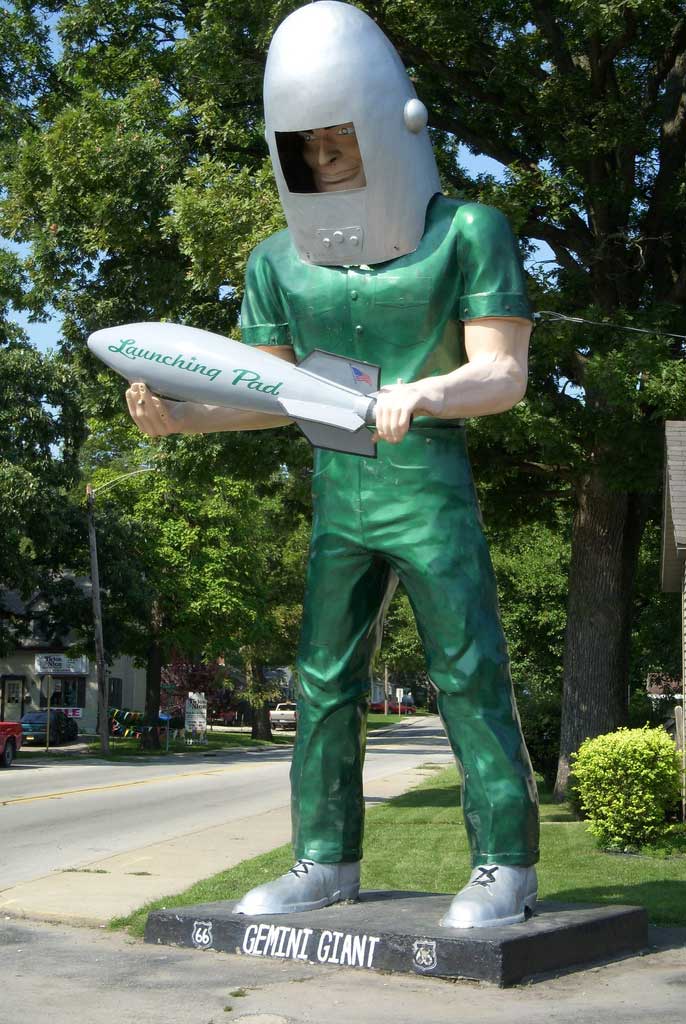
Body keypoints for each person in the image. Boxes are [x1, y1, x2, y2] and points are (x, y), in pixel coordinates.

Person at [126, 1, 539, 929]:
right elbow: (271, 394)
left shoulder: (468, 232)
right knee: (320, 678)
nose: (324, 164)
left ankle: (505, 861)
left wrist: (427, 394)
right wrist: (181, 419)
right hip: (340, 491)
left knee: (469, 668)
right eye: (305, 150)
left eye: (338, 143)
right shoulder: (277, 263)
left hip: (428, 488)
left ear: (393, 128)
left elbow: (503, 372)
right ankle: (323, 859)